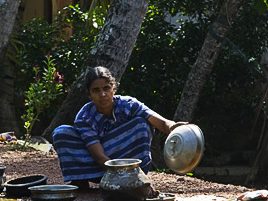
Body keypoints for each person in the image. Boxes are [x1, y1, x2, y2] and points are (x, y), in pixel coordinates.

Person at [52, 66, 186, 189]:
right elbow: (99, 157)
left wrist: (175, 127)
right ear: (89, 94)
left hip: (126, 164)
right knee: (61, 132)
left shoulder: (128, 104)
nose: (102, 94)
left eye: (106, 88)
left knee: (141, 123)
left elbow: (161, 122)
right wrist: (118, 176)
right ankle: (79, 180)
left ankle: (139, 179)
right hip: (99, 166)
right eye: (96, 90)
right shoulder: (84, 117)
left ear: (113, 88)